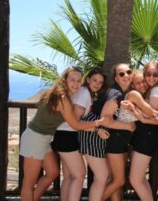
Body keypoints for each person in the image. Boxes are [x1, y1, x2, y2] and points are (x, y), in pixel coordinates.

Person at [19, 66, 112, 201]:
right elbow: (75, 124)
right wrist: (99, 123)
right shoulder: (62, 98)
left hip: (46, 138)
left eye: (78, 81)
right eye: (72, 80)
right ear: (65, 80)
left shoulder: (67, 95)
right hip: (35, 137)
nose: (76, 84)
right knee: (28, 183)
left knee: (53, 172)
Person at [129, 61, 158, 201]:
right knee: (139, 179)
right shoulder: (152, 91)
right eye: (148, 74)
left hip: (149, 135)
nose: (151, 77)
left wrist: (136, 110)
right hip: (145, 135)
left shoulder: (157, 90)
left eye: (155, 74)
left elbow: (151, 114)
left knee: (135, 179)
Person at [101, 63, 136, 201]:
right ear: (116, 78)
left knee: (115, 181)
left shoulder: (124, 93)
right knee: (119, 181)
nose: (126, 75)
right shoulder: (115, 93)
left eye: (128, 72)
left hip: (119, 142)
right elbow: (104, 119)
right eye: (121, 74)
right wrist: (127, 127)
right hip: (114, 142)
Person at [76, 68, 110, 201]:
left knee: (99, 177)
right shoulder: (84, 93)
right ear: (88, 79)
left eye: (100, 82)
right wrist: (97, 129)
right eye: (94, 80)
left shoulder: (87, 93)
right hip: (89, 138)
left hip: (87, 137)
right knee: (102, 176)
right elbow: (76, 121)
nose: (97, 84)